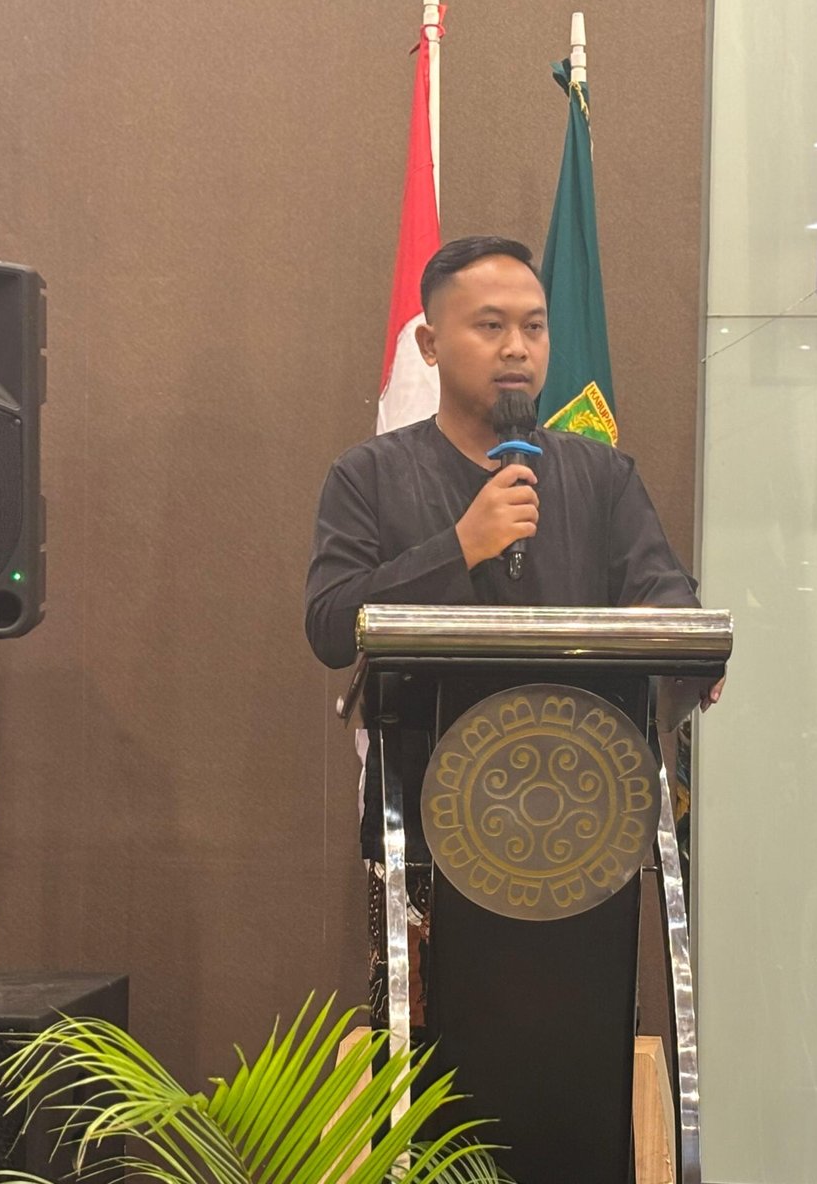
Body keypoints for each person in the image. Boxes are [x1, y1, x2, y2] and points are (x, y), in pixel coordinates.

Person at [303, 234, 714, 1027]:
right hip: (425, 825)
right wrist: (459, 547)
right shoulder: (368, 476)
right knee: (429, 1053)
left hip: (581, 827)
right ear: (430, 344)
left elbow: (663, 591)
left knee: (572, 1051)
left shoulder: (601, 476)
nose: (517, 348)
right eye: (490, 326)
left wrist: (692, 646)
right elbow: (330, 623)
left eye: (534, 326)